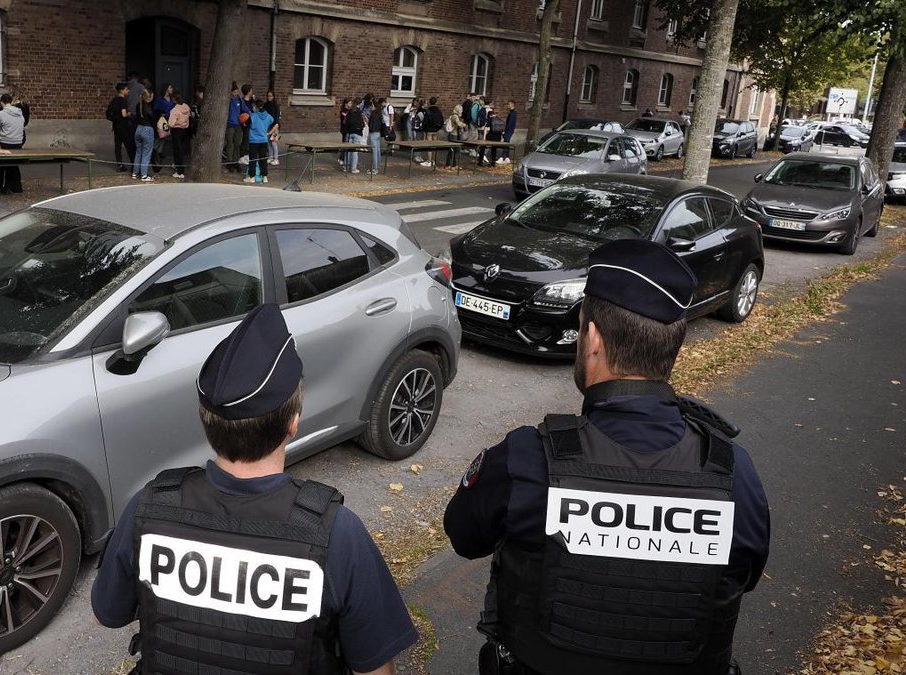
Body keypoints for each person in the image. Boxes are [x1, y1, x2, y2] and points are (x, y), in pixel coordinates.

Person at [443, 238, 770, 675]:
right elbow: (744, 577)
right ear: (671, 347)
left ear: (593, 339)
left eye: (581, 328)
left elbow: (464, 536)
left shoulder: (527, 459)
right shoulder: (733, 473)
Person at [91, 304, 418, 675]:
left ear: (205, 421)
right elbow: (374, 670)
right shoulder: (337, 534)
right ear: (293, 422)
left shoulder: (150, 506)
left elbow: (108, 614)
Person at [0, 93, 25, 194]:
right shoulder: (20, 113)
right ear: (11, 101)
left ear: (1, 102)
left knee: (0, 165)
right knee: (13, 165)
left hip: (5, 142)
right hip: (18, 142)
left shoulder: (0, 114)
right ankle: (14, 187)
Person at [245, 99, 277, 183]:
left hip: (253, 141)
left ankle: (252, 177)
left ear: (255, 106)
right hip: (263, 140)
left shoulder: (253, 116)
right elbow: (273, 121)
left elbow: (246, 124)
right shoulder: (268, 116)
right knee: (263, 159)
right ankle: (265, 177)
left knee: (253, 159)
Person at [107, 82, 133, 172]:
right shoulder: (123, 101)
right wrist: (129, 114)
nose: (128, 91)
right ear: (122, 90)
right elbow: (123, 114)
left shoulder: (114, 100)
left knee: (117, 146)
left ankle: (120, 165)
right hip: (124, 126)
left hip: (116, 126)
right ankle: (134, 164)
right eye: (126, 89)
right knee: (128, 145)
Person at [224, 83, 248, 173]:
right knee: (230, 144)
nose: (236, 93)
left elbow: (245, 109)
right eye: (234, 92)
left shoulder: (239, 100)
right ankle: (229, 162)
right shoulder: (228, 100)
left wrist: (249, 116)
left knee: (237, 143)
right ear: (231, 92)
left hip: (238, 125)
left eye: (237, 92)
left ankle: (235, 161)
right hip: (230, 125)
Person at [133, 89, 156, 182]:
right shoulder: (148, 107)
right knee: (146, 153)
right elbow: (152, 119)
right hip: (147, 129)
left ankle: (135, 173)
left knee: (138, 152)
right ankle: (144, 175)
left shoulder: (138, 105)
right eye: (152, 96)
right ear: (149, 97)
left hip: (138, 129)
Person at [168, 92, 191, 179]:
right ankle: (178, 166)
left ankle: (180, 171)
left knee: (177, 151)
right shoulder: (186, 107)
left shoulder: (175, 110)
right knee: (181, 150)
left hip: (176, 130)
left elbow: (171, 123)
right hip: (184, 130)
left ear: (174, 99)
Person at [344, 98, 365, 174]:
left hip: (350, 133)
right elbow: (362, 124)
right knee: (355, 152)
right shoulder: (359, 113)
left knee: (348, 151)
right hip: (357, 133)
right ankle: (353, 168)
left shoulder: (350, 112)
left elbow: (346, 122)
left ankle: (346, 167)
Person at [421, 97, 444, 167]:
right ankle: (434, 160)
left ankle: (429, 161)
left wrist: (424, 129)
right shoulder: (439, 111)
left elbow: (425, 121)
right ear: (436, 102)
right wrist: (439, 127)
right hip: (436, 129)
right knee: (435, 145)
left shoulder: (428, 111)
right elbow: (442, 120)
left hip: (429, 129)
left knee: (429, 145)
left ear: (430, 103)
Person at [367, 97, 385, 175]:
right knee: (377, 150)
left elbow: (371, 125)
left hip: (373, 133)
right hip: (378, 133)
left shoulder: (373, 114)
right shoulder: (379, 113)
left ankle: (375, 168)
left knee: (374, 151)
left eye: (371, 106)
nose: (370, 107)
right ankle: (377, 165)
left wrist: (368, 121)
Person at [264, 90, 282, 165]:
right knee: (268, 142)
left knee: (274, 142)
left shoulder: (276, 106)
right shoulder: (266, 105)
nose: (269, 97)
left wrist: (276, 126)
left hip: (275, 126)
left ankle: (276, 158)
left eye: (270, 96)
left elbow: (277, 117)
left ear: (273, 96)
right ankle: (270, 157)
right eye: (268, 96)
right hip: (268, 125)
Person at [445, 103, 465, 169]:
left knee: (454, 150)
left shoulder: (453, 116)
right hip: (453, 135)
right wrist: (464, 124)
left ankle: (453, 164)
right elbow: (458, 124)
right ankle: (449, 164)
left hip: (454, 134)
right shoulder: (455, 116)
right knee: (452, 150)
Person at [498, 100, 518, 164]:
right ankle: (507, 158)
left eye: (508, 104)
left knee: (506, 143)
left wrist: (505, 131)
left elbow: (510, 123)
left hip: (509, 130)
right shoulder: (512, 112)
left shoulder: (513, 113)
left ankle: (502, 157)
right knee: (507, 143)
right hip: (509, 130)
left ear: (512, 104)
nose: (507, 105)